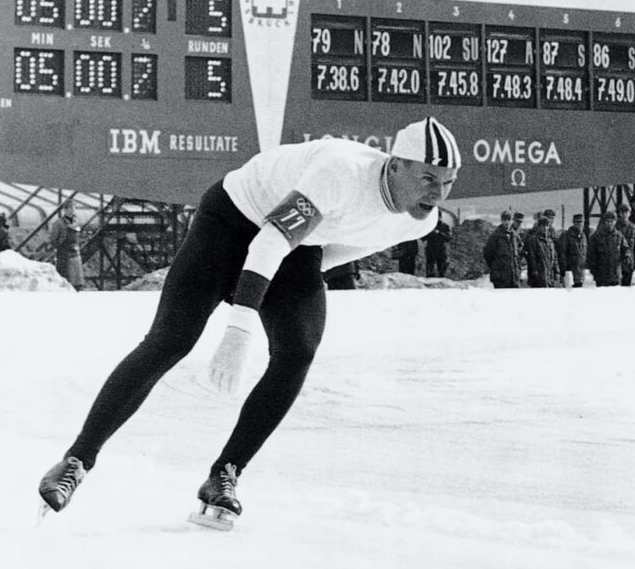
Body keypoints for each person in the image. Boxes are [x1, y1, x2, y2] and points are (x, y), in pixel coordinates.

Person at [37, 117, 462, 529]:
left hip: (295, 244)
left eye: (448, 181)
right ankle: (76, 460)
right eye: (428, 178)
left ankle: (224, 473)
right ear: (396, 164)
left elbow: (336, 251)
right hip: (232, 220)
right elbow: (268, 239)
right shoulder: (341, 170)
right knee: (173, 338)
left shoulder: (418, 220)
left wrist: (291, 282)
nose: (438, 192)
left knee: (298, 349)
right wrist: (239, 327)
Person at [586, 210, 629, 287]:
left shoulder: (619, 236)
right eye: (608, 221)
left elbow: (626, 251)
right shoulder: (596, 237)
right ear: (604, 222)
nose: (610, 224)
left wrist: (625, 262)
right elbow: (591, 255)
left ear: (615, 222)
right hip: (602, 276)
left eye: (612, 221)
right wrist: (594, 272)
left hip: (616, 275)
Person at [50, 202, 85, 291]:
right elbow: (53, 239)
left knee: (77, 281)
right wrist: (59, 246)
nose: (73, 210)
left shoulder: (77, 221)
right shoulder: (58, 223)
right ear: (65, 209)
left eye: (74, 208)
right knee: (66, 280)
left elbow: (78, 236)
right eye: (70, 208)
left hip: (75, 253)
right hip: (64, 254)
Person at [482, 211, 522, 289]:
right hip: (501, 277)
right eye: (504, 220)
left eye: (509, 220)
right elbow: (488, 254)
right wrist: (496, 268)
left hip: (514, 277)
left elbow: (518, 254)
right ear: (501, 220)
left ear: (512, 221)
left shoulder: (515, 236)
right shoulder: (495, 236)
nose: (507, 222)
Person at [524, 215, 560, 288]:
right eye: (543, 226)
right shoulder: (533, 240)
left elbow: (554, 258)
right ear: (539, 227)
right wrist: (534, 272)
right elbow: (531, 257)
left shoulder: (550, 242)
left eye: (547, 226)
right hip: (538, 277)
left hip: (550, 276)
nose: (545, 228)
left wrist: (557, 271)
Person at [557, 213, 587, 287]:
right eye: (577, 222)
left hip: (581, 273)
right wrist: (563, 271)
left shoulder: (583, 236)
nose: (579, 224)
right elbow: (561, 254)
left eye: (581, 222)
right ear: (573, 223)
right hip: (569, 272)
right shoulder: (566, 235)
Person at [615, 202, 635, 286]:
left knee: (627, 286)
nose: (624, 214)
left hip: (629, 262)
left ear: (629, 213)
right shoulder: (615, 227)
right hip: (617, 261)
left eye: (626, 212)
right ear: (619, 213)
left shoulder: (633, 228)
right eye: (622, 212)